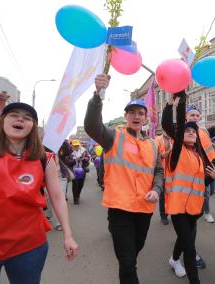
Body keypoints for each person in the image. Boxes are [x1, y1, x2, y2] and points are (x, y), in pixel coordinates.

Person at [0, 102, 78, 283]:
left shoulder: (44, 159)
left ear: (33, 126)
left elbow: (57, 197)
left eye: (27, 118)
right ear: (2, 122)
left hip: (28, 247)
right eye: (13, 115)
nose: (20, 119)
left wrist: (68, 235)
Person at [84, 74, 163, 284]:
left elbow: (159, 171)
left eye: (140, 113)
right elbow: (92, 126)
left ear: (146, 118)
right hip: (120, 209)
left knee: (133, 253)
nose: (136, 116)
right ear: (126, 115)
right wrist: (98, 94)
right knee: (127, 263)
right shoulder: (114, 136)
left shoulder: (153, 144)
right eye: (132, 113)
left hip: (144, 208)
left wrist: (157, 189)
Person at [163, 97, 215, 268]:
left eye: (196, 115)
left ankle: (179, 254)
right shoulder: (180, 131)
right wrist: (171, 105)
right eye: (191, 114)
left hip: (204, 175)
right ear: (185, 117)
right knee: (188, 228)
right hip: (185, 176)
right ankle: (191, 254)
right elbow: (166, 124)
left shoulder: (204, 132)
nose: (194, 117)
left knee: (198, 208)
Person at [162, 91, 215, 284]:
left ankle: (174, 259)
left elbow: (198, 184)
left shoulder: (198, 156)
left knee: (185, 240)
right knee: (190, 248)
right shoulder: (177, 151)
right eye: (187, 130)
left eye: (194, 131)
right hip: (178, 209)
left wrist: (210, 178)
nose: (192, 132)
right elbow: (172, 126)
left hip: (194, 208)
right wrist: (178, 102)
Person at [155, 130, 173, 225]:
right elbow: (154, 155)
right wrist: (163, 155)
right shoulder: (157, 139)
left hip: (172, 172)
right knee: (163, 196)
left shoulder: (173, 140)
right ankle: (163, 216)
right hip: (161, 172)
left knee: (171, 194)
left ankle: (171, 212)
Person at [70, 139, 89, 205]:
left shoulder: (83, 151)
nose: (76, 147)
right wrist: (75, 160)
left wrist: (84, 159)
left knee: (81, 185)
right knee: (75, 185)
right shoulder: (70, 153)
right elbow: (67, 162)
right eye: (74, 146)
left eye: (77, 145)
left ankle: (77, 195)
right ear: (72, 146)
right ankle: (75, 199)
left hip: (82, 170)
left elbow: (88, 158)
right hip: (74, 171)